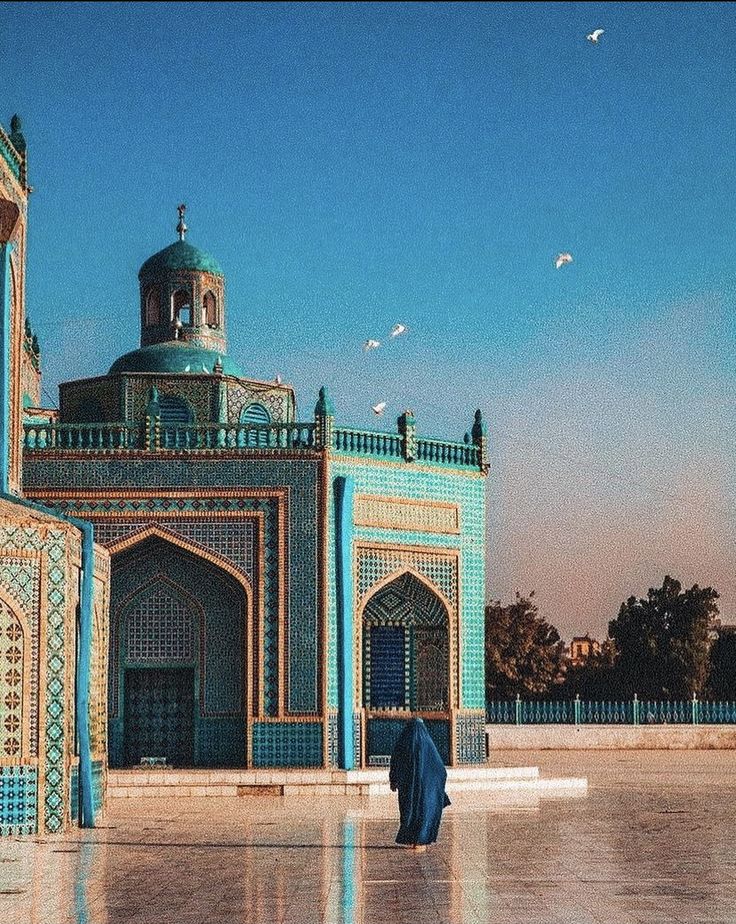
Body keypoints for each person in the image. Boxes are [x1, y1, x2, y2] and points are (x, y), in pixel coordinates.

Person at [389, 717, 451, 851]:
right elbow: (440, 770)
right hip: (425, 790)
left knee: (409, 811)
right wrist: (436, 786)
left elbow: (395, 762)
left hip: (408, 788)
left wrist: (394, 780)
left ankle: (410, 839)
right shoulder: (428, 744)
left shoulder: (403, 742)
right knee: (424, 811)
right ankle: (420, 841)